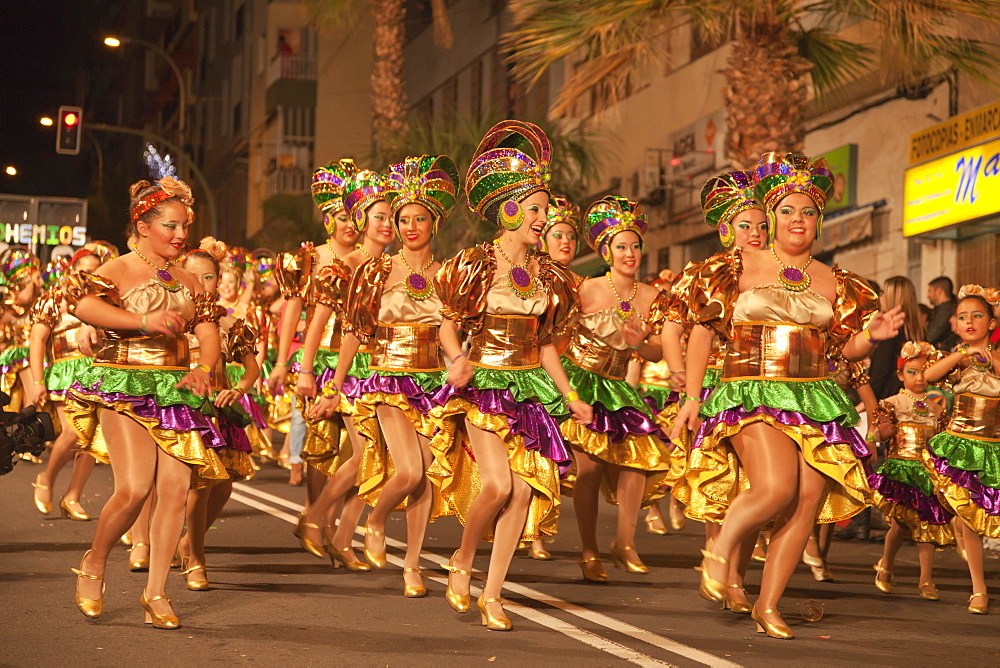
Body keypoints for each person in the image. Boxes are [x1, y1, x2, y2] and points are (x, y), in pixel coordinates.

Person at [672, 152, 904, 639]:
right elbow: (700, 333)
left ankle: (768, 603)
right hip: (750, 389)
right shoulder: (735, 265)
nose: (798, 220)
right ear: (771, 216)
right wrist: (692, 397)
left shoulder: (835, 279)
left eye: (807, 212)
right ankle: (717, 555)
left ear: (819, 220)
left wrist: (873, 334)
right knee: (775, 487)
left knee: (806, 501)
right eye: (787, 211)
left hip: (814, 395)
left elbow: (845, 346)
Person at [428, 120, 592, 631]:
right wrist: (457, 359)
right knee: (498, 486)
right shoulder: (475, 264)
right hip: (486, 384)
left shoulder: (550, 276)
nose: (544, 219)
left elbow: (544, 344)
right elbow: (448, 327)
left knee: (524, 492)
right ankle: (461, 558)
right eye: (536, 210)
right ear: (509, 209)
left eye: (547, 210)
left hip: (531, 387)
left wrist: (570, 395)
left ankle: (493, 593)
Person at [64, 177, 228, 629]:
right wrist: (142, 320)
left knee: (175, 490)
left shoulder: (190, 279)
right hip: (127, 383)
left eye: (184, 228)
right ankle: (95, 561)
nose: (180, 236)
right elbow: (82, 306)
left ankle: (155, 592)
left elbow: (208, 334)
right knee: (136, 488)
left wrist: (203, 367)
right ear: (142, 224)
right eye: (170, 226)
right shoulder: (117, 268)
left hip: (176, 388)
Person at [331, 154, 459, 597]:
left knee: (427, 473)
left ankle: (412, 566)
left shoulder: (448, 275)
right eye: (403, 219)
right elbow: (354, 330)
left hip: (432, 382)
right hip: (388, 377)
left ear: (433, 224)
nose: (409, 227)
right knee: (407, 471)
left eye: (419, 218)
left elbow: (449, 329)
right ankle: (378, 517)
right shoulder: (378, 269)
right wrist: (335, 383)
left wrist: (459, 360)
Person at [559, 196, 672, 582]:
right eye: (621, 246)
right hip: (581, 380)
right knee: (588, 468)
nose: (630, 253)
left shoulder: (653, 297)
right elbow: (554, 334)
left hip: (618, 384)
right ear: (607, 250)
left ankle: (624, 541)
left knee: (637, 459)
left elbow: (657, 350)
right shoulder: (586, 288)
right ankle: (589, 549)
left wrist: (641, 343)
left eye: (635, 246)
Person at [297, 168, 394, 569]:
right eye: (380, 218)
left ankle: (340, 535)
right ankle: (314, 517)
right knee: (367, 452)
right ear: (361, 222)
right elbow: (318, 323)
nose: (388, 225)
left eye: (392, 217)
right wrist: (305, 371)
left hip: (382, 368)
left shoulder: (392, 267)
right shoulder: (343, 267)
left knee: (381, 459)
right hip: (346, 369)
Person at [175, 243, 261, 591]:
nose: (202, 283)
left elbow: (252, 369)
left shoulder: (230, 322)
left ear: (219, 280)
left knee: (224, 485)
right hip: (183, 408)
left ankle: (187, 542)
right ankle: (196, 559)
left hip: (220, 410)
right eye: (193, 276)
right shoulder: (172, 319)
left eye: (208, 276)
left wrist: (238, 389)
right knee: (200, 483)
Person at [922, 285, 1000, 615]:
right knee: (969, 519)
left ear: (992, 323)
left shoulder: (997, 356)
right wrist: (963, 355)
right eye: (963, 317)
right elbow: (928, 375)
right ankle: (978, 589)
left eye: (977, 316)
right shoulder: (957, 357)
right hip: (962, 444)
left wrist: (991, 359)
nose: (969, 322)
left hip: (993, 447)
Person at [27, 244, 118, 520]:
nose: (89, 276)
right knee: (74, 432)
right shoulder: (56, 296)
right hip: (64, 372)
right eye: (84, 271)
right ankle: (47, 478)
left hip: (97, 371)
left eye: (94, 272)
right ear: (72, 271)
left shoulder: (106, 301)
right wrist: (37, 380)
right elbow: (37, 339)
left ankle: (73, 495)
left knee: (92, 439)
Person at [869, 341, 952, 601]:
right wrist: (881, 433)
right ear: (900, 374)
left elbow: (940, 441)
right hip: (901, 470)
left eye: (923, 372)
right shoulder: (892, 403)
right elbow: (877, 436)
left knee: (926, 526)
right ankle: (887, 564)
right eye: (912, 372)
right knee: (900, 524)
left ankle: (926, 579)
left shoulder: (936, 408)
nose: (918, 378)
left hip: (926, 472)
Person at [870, 276, 925, 400]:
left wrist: (866, 402)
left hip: (888, 399)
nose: (881, 297)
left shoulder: (890, 331)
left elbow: (880, 372)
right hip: (913, 396)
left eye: (883, 292)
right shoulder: (918, 330)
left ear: (892, 298)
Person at [926, 276, 958, 351]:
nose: (928, 295)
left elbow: (931, 337)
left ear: (939, 291)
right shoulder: (941, 309)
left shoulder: (946, 311)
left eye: (930, 291)